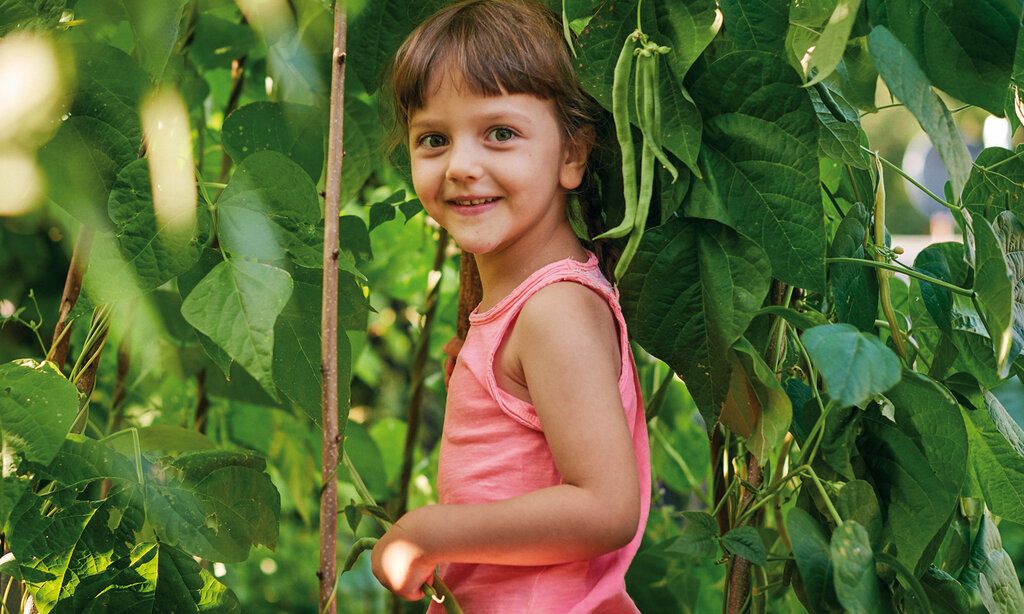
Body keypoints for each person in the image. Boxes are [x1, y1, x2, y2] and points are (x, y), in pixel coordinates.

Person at [371, 1, 652, 611]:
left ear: (572, 156)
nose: (462, 167)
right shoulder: (530, 306)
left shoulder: (553, 311)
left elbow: (606, 508)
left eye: (500, 133)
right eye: (434, 139)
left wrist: (429, 530)